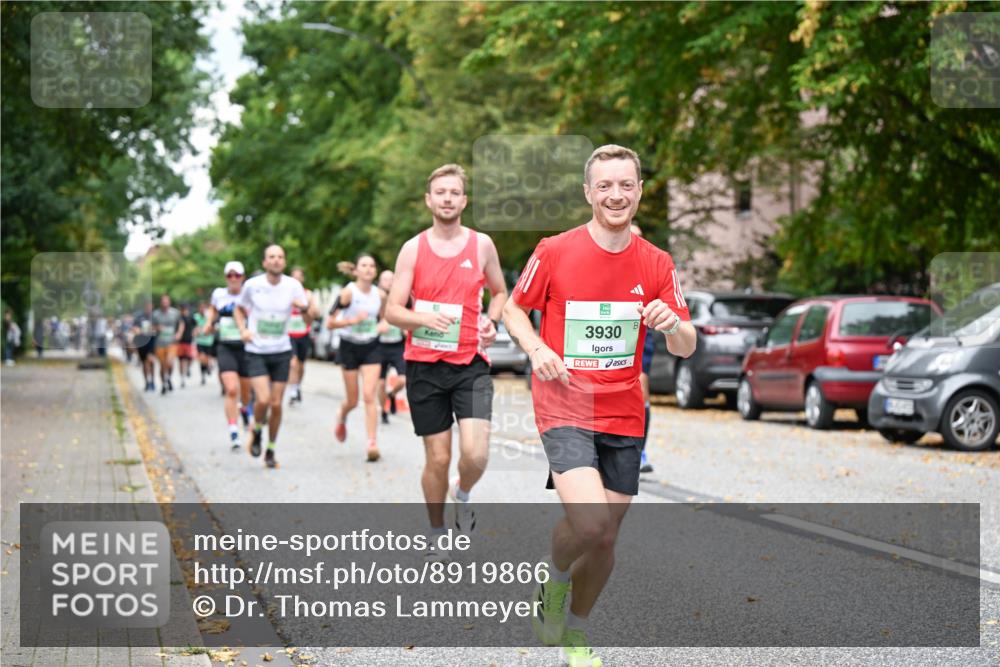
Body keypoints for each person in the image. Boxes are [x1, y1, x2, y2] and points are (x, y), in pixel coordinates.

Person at [503, 144, 695, 667]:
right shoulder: (556, 250)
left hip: (625, 410)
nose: (616, 195)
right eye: (605, 186)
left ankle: (576, 633)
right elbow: (512, 309)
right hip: (564, 402)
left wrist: (672, 323)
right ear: (589, 192)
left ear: (639, 191)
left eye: (626, 185)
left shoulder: (656, 261)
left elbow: (687, 343)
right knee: (589, 525)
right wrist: (537, 347)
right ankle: (555, 577)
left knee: (607, 540)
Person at [385, 163, 507, 562]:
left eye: (454, 192)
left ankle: (464, 492)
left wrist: (492, 319)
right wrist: (423, 318)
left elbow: (501, 291)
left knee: (475, 454)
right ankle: (437, 531)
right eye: (441, 192)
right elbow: (392, 311)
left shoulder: (482, 245)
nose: (448, 199)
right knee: (437, 458)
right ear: (429, 199)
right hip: (424, 364)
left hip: (471, 361)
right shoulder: (413, 249)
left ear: (464, 200)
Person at [235, 246, 309, 469]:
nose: (276, 260)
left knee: (276, 404)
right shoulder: (252, 285)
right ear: (265, 262)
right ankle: (257, 430)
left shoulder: (293, 286)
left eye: (280, 257)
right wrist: (243, 330)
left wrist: (306, 308)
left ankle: (271, 449)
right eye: (271, 257)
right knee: (264, 400)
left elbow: (308, 317)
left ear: (284, 262)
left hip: (281, 350)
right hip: (256, 350)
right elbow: (238, 310)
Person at [327, 255, 387, 461]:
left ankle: (372, 442)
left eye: (372, 266)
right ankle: (342, 415)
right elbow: (329, 323)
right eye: (364, 265)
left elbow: (385, 316)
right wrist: (352, 320)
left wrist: (382, 325)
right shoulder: (348, 293)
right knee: (353, 400)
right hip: (349, 346)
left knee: (369, 395)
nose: (369, 269)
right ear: (356, 271)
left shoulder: (380, 295)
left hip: (371, 346)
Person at [206, 261, 253, 451]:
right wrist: (209, 323)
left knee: (247, 393)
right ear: (226, 278)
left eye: (237, 275)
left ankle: (244, 408)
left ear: (242, 277)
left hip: (247, 347)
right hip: (225, 346)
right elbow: (212, 310)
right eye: (230, 275)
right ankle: (233, 430)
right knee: (232, 389)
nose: (233, 279)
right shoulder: (219, 294)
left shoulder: (249, 294)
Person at [631, 224, 656, 474]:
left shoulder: (650, 266)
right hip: (610, 338)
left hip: (642, 335)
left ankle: (640, 451)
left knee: (641, 385)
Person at [376, 269, 407, 425]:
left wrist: (406, 328)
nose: (388, 282)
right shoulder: (375, 298)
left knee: (402, 380)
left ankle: (391, 394)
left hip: (397, 346)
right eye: (385, 279)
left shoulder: (401, 297)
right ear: (380, 282)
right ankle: (383, 411)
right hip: (379, 346)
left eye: (391, 279)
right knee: (380, 383)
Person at [287, 267, 319, 405]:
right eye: (294, 277)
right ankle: (293, 389)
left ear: (302, 279)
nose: (296, 280)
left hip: (303, 333)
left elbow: (316, 314)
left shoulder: (308, 294)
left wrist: (306, 307)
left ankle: (298, 385)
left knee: (301, 364)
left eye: (299, 277)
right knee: (293, 362)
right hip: (289, 334)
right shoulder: (285, 294)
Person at [152, 294, 183, 395]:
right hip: (160, 342)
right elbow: (151, 327)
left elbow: (181, 324)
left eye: (166, 301)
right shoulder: (155, 314)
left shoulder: (175, 313)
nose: (165, 303)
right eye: (163, 301)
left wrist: (179, 333)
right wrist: (157, 328)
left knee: (170, 362)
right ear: (161, 302)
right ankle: (164, 383)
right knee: (162, 365)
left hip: (172, 342)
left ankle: (168, 377)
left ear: (169, 302)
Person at [132, 302, 157, 390]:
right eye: (147, 306)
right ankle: (147, 382)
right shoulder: (139, 317)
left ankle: (153, 381)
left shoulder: (155, 316)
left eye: (150, 306)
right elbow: (134, 328)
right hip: (142, 341)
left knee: (151, 361)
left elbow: (158, 327)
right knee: (144, 363)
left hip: (152, 341)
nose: (149, 308)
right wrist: (139, 331)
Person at [193, 301, 216, 386]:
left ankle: (208, 366)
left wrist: (208, 330)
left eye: (204, 308)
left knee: (207, 358)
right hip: (200, 341)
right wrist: (196, 331)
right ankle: (204, 372)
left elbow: (213, 329)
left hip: (209, 341)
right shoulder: (196, 317)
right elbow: (193, 329)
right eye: (200, 308)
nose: (202, 310)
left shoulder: (209, 317)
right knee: (202, 358)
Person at [177, 303, 197, 387]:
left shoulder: (191, 317)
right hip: (180, 342)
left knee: (191, 358)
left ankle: (188, 368)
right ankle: (182, 378)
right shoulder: (178, 318)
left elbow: (196, 325)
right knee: (181, 360)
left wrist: (194, 333)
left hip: (189, 340)